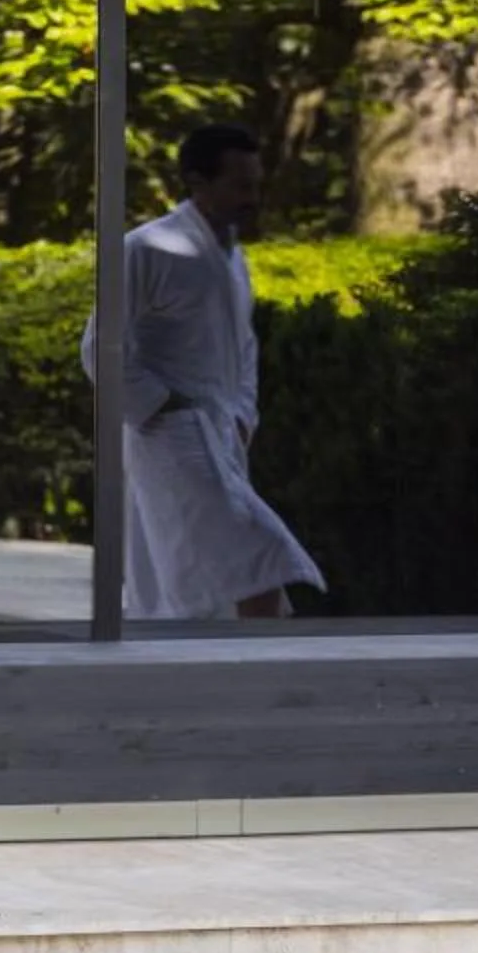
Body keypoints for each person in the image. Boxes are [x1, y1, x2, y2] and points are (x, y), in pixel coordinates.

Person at [84, 125, 326, 622]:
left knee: (210, 562)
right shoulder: (145, 249)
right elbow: (100, 346)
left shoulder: (232, 258)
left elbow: (244, 347)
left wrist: (242, 414)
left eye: (256, 185)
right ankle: (258, 672)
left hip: (222, 427)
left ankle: (228, 667)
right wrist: (160, 403)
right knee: (255, 549)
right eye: (240, 185)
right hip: (168, 431)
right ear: (197, 180)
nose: (252, 199)